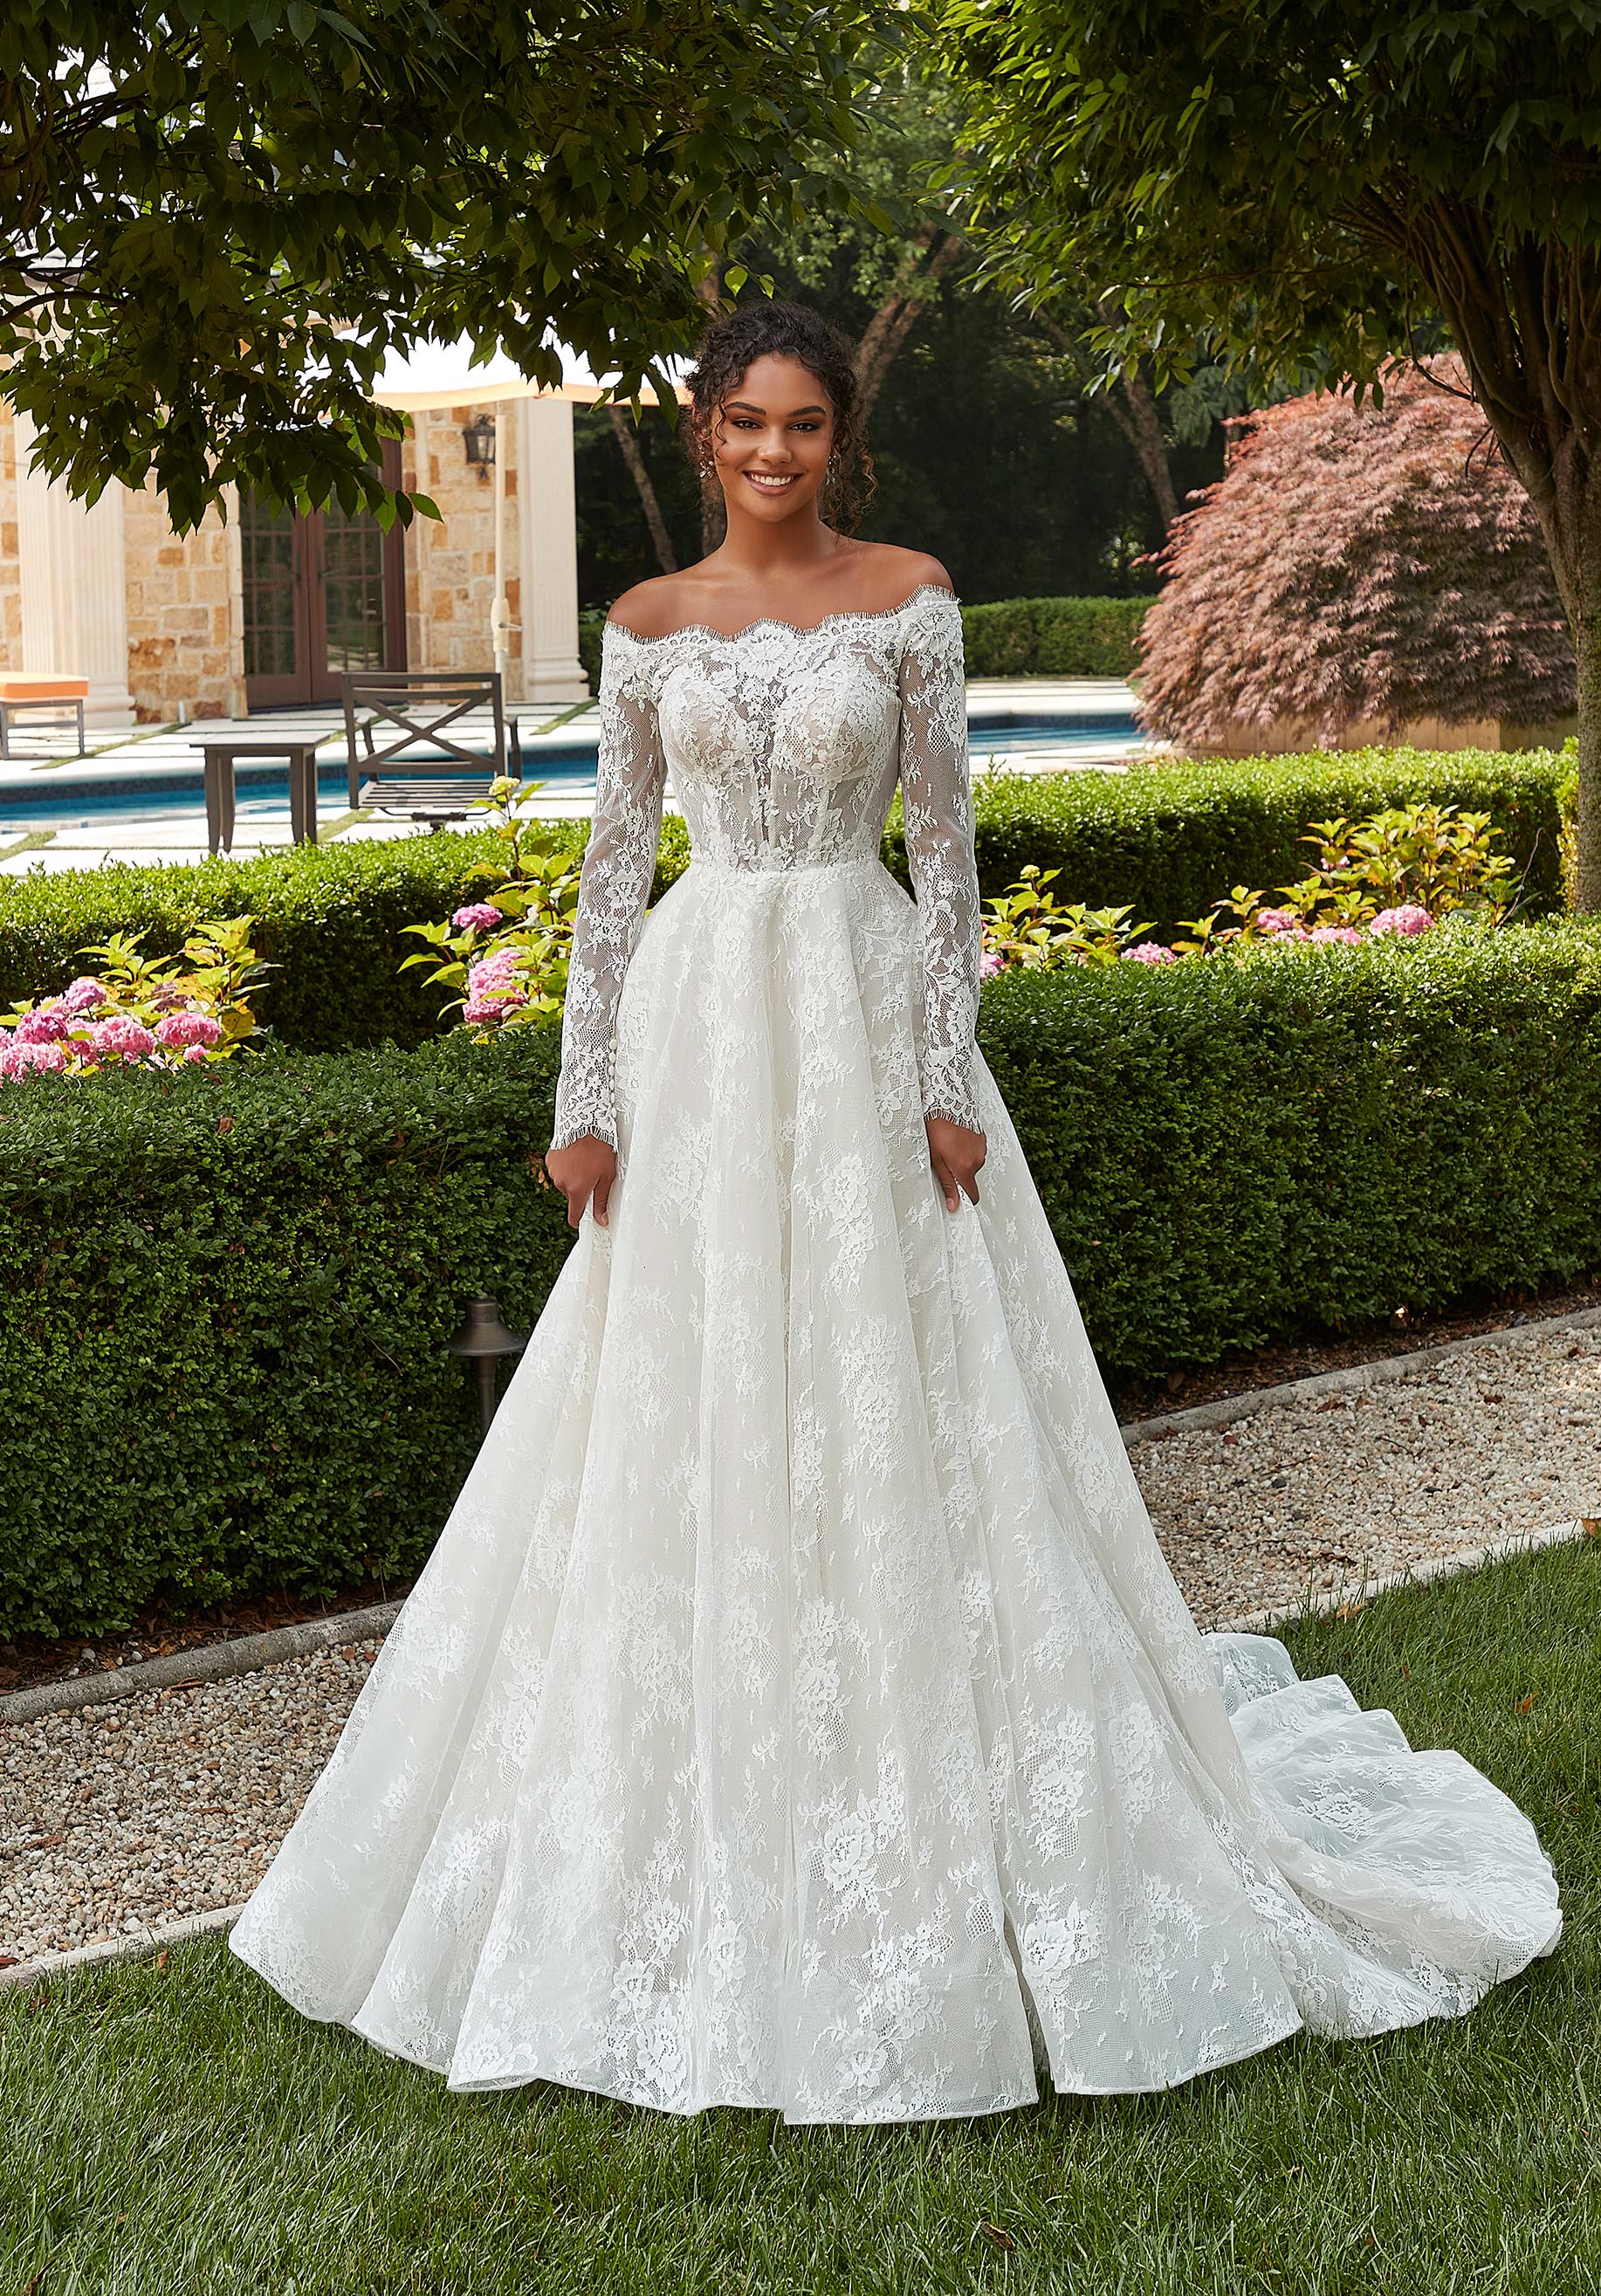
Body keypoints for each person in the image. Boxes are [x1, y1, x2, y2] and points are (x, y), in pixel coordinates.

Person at [231, 300, 1560, 2121]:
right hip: (703, 1027)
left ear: (836, 436)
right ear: (704, 435)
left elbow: (944, 852)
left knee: (893, 1374)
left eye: (802, 424)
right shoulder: (645, 623)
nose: (772, 451)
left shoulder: (909, 598)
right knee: (690, 1387)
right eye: (744, 423)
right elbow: (612, 871)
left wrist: (944, 1073)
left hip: (861, 1020)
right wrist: (582, 1100)